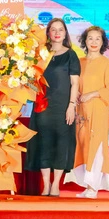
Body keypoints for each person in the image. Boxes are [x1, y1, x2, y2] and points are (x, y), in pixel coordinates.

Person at [26, 18, 80, 197]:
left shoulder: (71, 55)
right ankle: (46, 184)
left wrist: (71, 106)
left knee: (61, 143)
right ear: (48, 33)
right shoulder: (40, 54)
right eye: (53, 29)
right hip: (43, 106)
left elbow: (75, 83)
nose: (57, 33)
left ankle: (56, 184)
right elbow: (31, 79)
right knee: (44, 143)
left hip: (63, 106)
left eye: (60, 30)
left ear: (65, 33)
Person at [64, 26, 109, 199]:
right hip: (81, 111)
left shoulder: (106, 63)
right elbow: (73, 84)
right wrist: (77, 94)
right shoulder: (79, 62)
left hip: (99, 109)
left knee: (97, 147)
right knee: (84, 146)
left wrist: (93, 94)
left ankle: (94, 187)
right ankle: (88, 185)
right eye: (90, 38)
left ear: (103, 42)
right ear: (85, 41)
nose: (94, 42)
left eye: (97, 39)